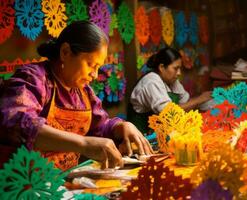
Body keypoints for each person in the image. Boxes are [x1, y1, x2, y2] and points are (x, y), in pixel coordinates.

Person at [0, 21, 153, 171]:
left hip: (62, 182)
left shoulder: (84, 92)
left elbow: (100, 126)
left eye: (98, 67)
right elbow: (17, 124)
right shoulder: (34, 78)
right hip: (24, 185)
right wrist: (83, 144)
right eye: (91, 64)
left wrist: (122, 127)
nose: (94, 74)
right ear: (65, 52)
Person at [128, 47, 212, 133]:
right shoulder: (151, 82)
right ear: (161, 67)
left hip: (163, 131)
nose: (179, 73)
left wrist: (203, 102)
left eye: (180, 68)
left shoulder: (172, 80)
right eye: (175, 68)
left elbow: (186, 103)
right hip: (141, 135)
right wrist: (200, 99)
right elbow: (168, 113)